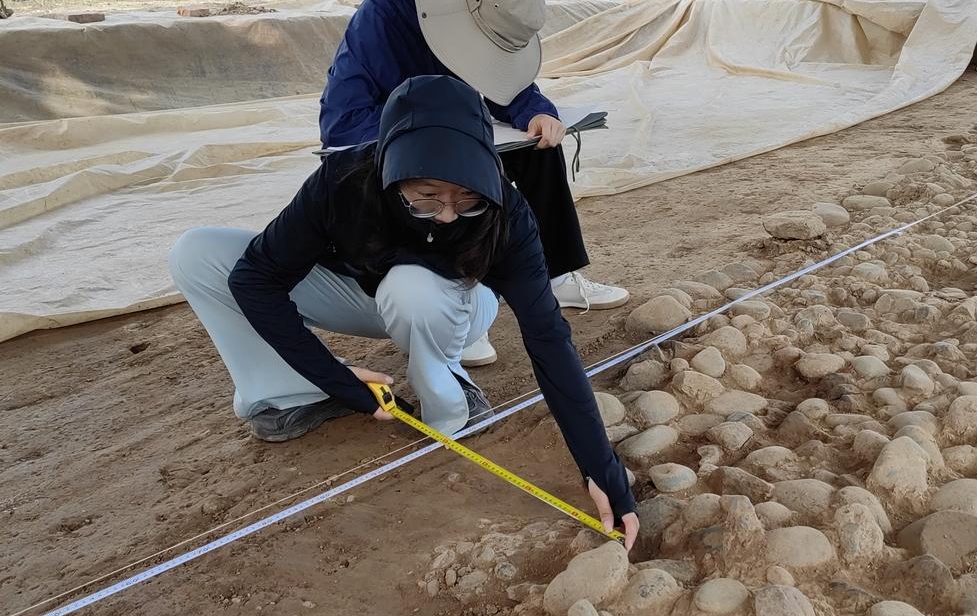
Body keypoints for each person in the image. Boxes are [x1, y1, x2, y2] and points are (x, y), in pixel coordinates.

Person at [169, 75, 639, 548]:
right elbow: (255, 278)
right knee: (198, 253)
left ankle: (450, 394)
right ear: (391, 171)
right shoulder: (342, 181)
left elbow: (548, 339)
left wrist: (600, 468)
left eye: (466, 196)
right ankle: (294, 392)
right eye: (427, 196)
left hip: (456, 305)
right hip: (359, 292)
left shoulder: (506, 212)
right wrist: (332, 375)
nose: (449, 214)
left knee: (412, 286)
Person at [319, 0, 629, 368]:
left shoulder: (484, 13)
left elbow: (507, 89)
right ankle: (462, 308)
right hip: (390, 150)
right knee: (451, 180)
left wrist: (536, 110)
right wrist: (431, 132)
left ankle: (555, 274)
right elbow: (340, 126)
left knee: (538, 146)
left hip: (456, 134)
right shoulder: (382, 19)